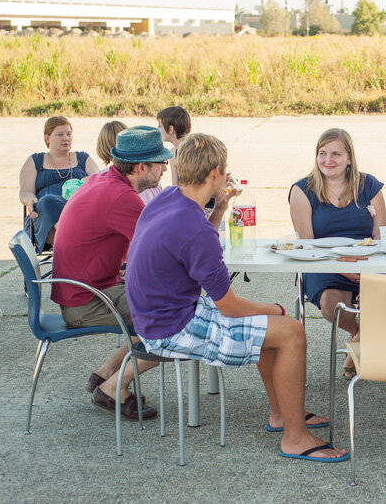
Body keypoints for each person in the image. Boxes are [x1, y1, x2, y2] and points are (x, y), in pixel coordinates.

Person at [126, 133, 348, 462]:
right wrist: (274, 308)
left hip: (159, 315)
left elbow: (198, 240)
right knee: (291, 331)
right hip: (172, 328)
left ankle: (282, 416)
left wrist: (222, 207)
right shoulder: (193, 227)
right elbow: (228, 305)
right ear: (216, 172)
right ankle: (295, 437)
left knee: (270, 324)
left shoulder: (170, 198)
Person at [52, 126, 172, 420]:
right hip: (87, 301)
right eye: (161, 164)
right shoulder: (123, 198)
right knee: (171, 320)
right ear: (141, 167)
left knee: (154, 307)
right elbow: (163, 249)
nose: (165, 170)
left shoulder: (102, 180)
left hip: (85, 289)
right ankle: (112, 389)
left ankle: (103, 373)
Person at [288, 128, 386, 380]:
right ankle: (365, 336)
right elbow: (307, 244)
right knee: (333, 306)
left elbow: (380, 236)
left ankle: (358, 342)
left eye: (336, 154)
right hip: (324, 265)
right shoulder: (302, 190)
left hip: (367, 262)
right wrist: (339, 266)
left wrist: (367, 266)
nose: (327, 160)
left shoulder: (369, 186)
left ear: (349, 158)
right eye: (322, 153)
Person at [19, 116, 100, 252]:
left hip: (77, 211)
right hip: (45, 219)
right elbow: (25, 192)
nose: (66, 138)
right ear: (47, 138)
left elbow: (100, 185)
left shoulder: (83, 159)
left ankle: (70, 235)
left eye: (69, 134)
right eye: (60, 134)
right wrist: (30, 201)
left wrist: (89, 181)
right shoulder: (35, 161)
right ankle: (73, 235)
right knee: (47, 201)